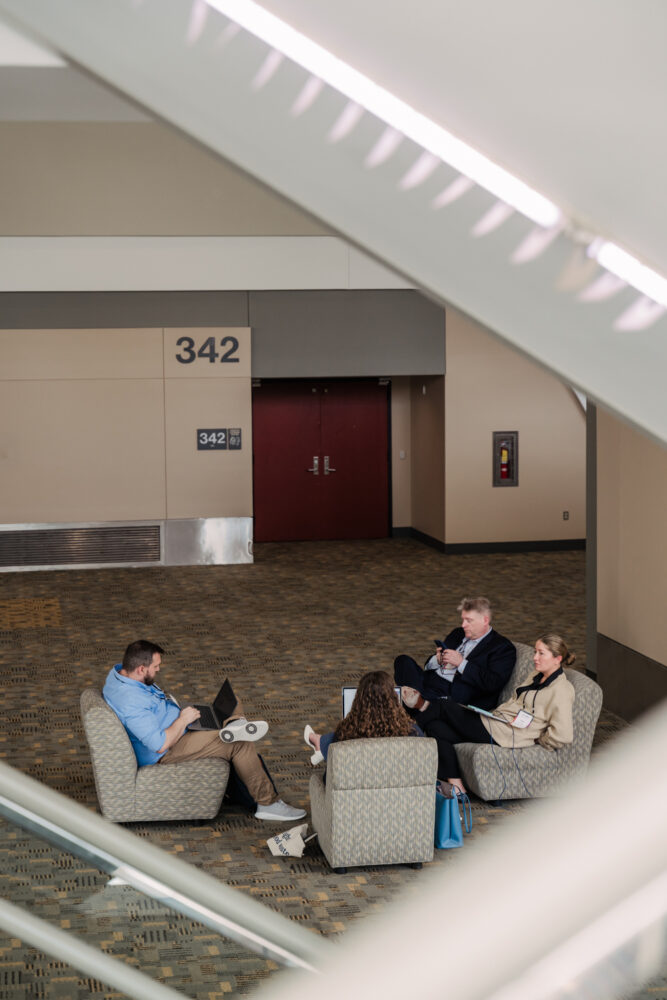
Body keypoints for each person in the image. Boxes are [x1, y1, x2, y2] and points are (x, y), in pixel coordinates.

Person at [103, 639, 305, 822]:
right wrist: (183, 720)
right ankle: (268, 804)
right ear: (140, 669)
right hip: (169, 747)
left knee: (233, 704)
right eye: (155, 667)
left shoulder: (120, 674)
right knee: (239, 744)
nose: (158, 671)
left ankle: (232, 725)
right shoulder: (130, 701)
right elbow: (159, 744)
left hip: (177, 725)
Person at [412, 633, 576, 793]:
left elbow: (564, 735)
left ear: (557, 659)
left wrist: (537, 739)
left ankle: (406, 733)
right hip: (497, 722)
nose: (535, 657)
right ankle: (456, 784)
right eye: (535, 652)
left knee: (444, 705)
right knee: (436, 728)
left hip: (506, 734)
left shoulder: (561, 690)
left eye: (541, 653)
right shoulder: (536, 675)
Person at [394, 596, 516, 711]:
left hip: (453, 691)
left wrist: (461, 663)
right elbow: (430, 664)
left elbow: (492, 683)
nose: (463, 625)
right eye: (463, 619)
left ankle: (415, 702)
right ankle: (420, 702)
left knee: (395, 698)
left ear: (485, 620)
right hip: (430, 680)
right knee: (402, 660)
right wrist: (437, 661)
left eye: (469, 620)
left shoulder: (502, 647)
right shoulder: (458, 633)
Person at [303, 670, 422, 765]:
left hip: (356, 794)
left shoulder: (346, 734)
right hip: (403, 793)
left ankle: (320, 743)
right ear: (393, 698)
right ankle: (320, 742)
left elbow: (330, 778)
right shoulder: (413, 732)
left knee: (334, 740)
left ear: (359, 700)